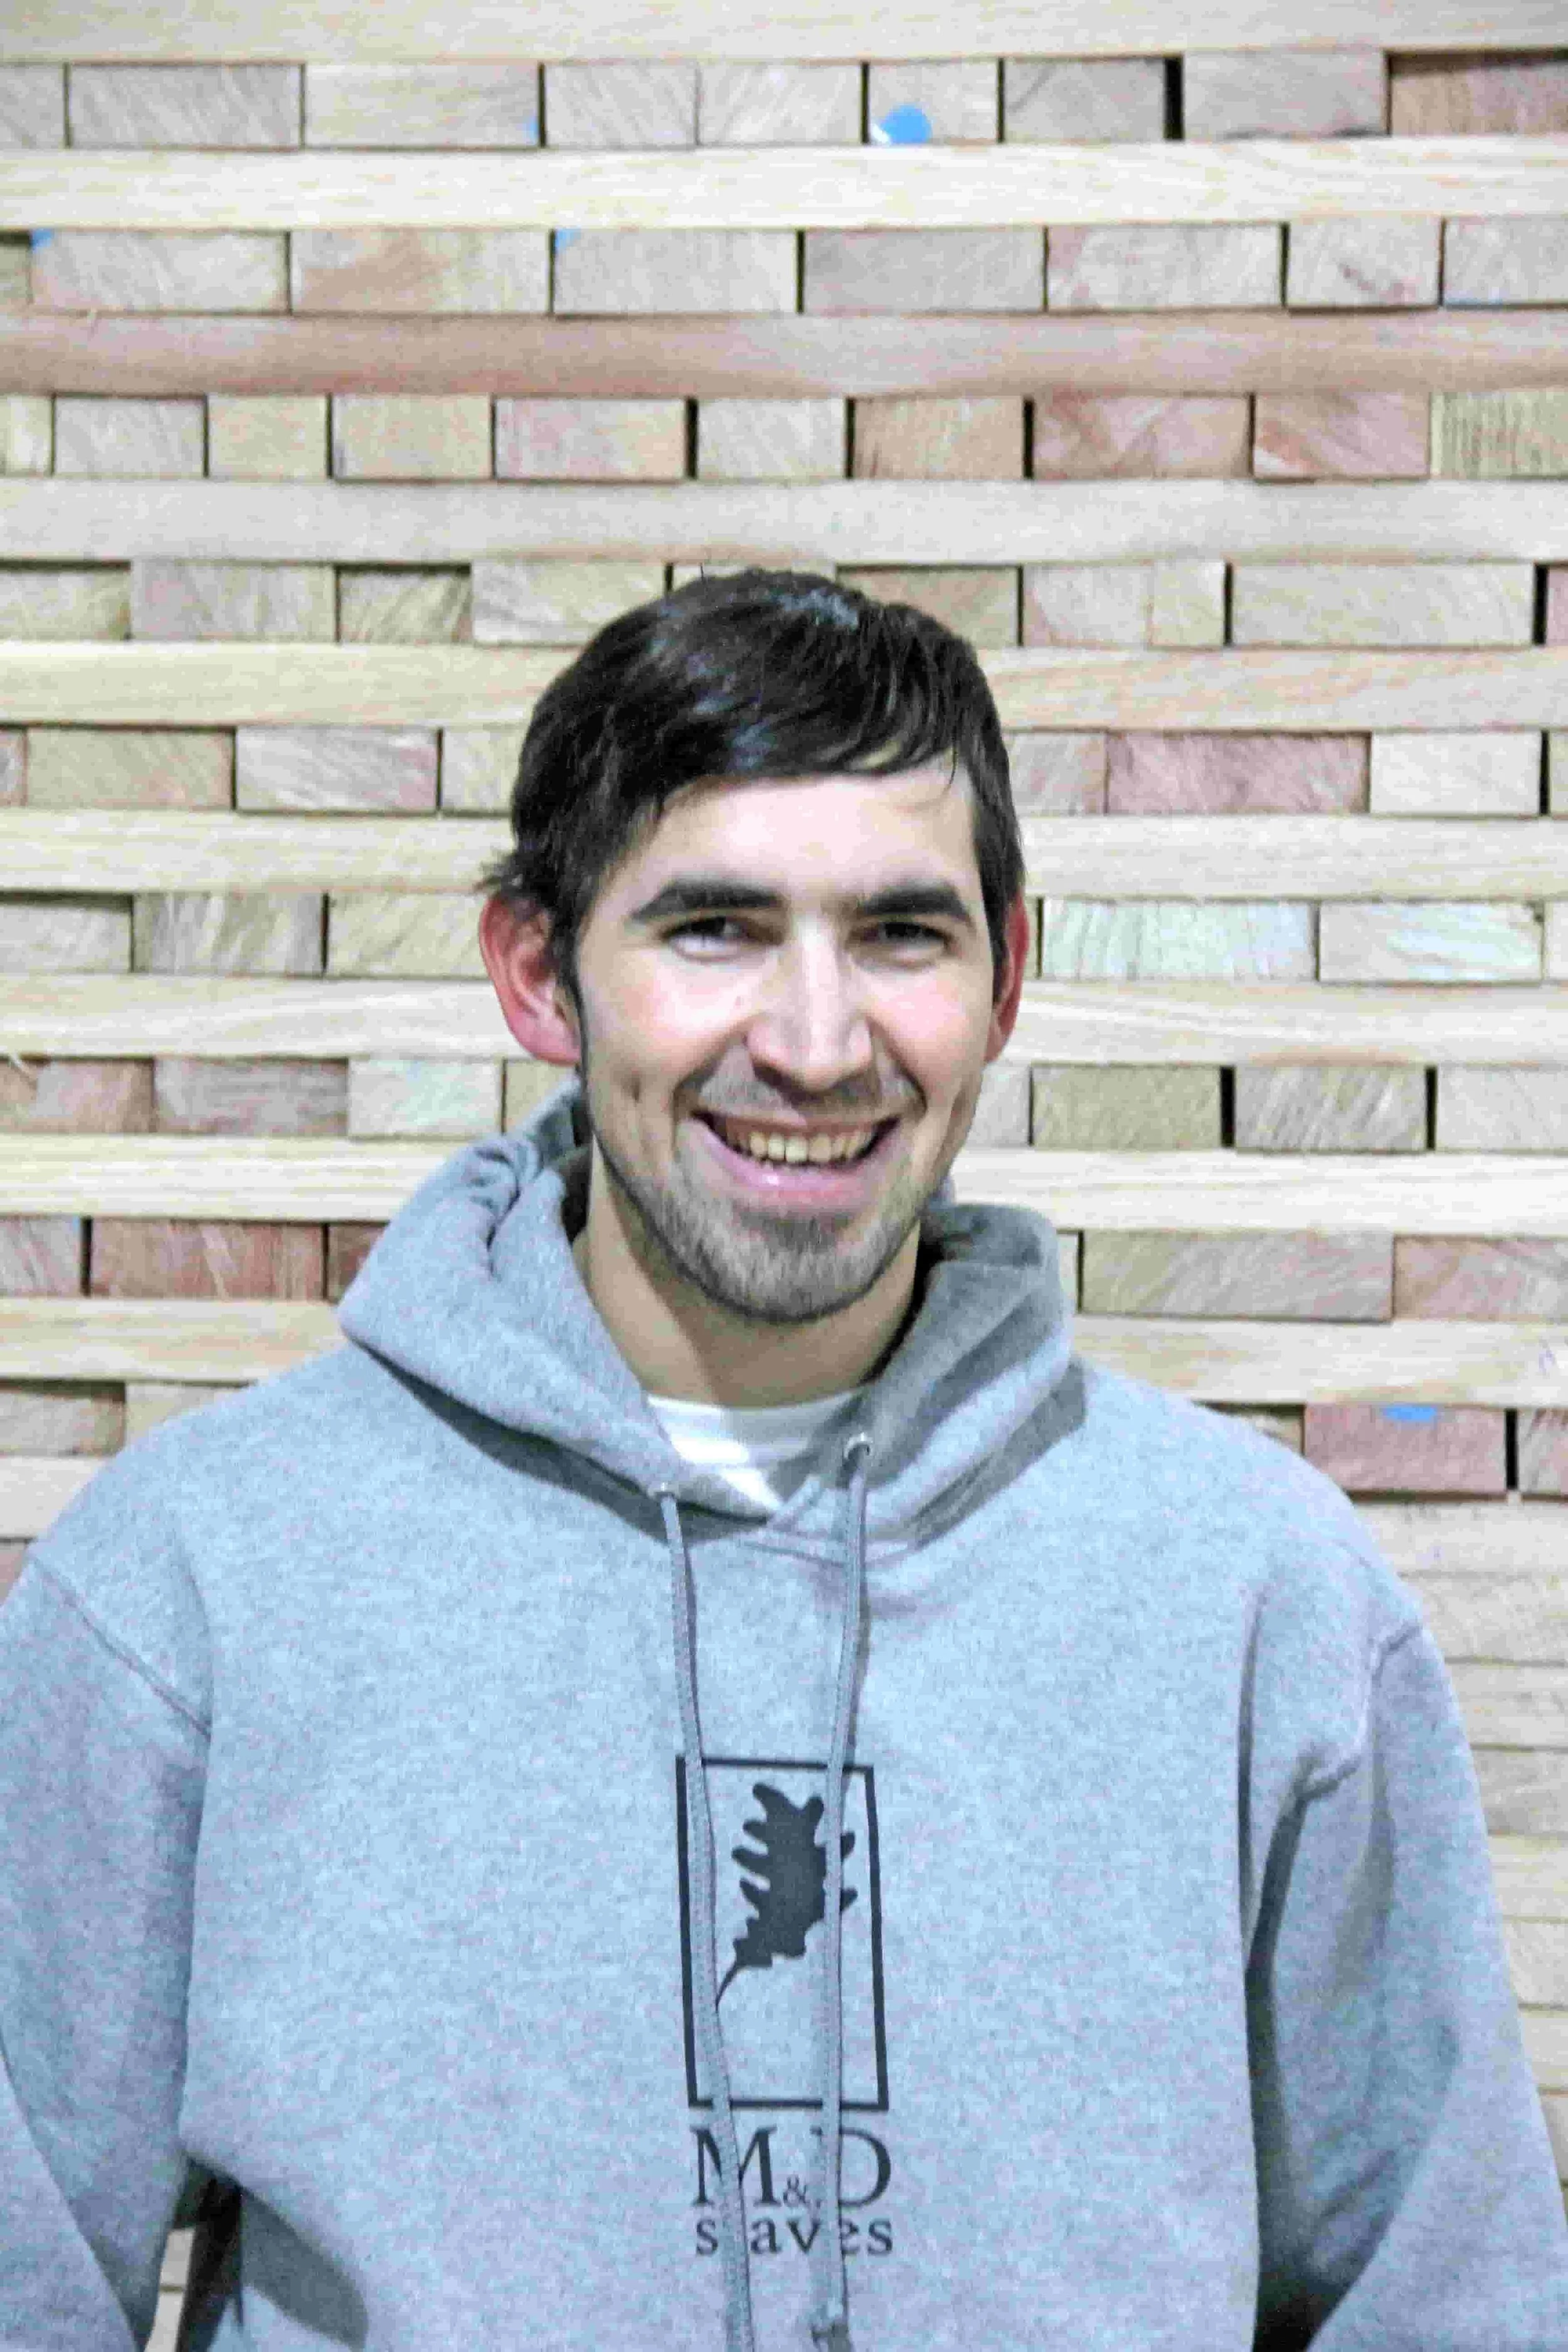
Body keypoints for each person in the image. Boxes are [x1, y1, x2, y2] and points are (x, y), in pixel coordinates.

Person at [1, 569, 1564, 2352]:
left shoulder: (1258, 1593)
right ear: (538, 973)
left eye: (899, 934)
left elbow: (1448, 2301)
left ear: (1006, 977)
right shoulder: (197, 1580)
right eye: (715, 929)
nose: (817, 1046)